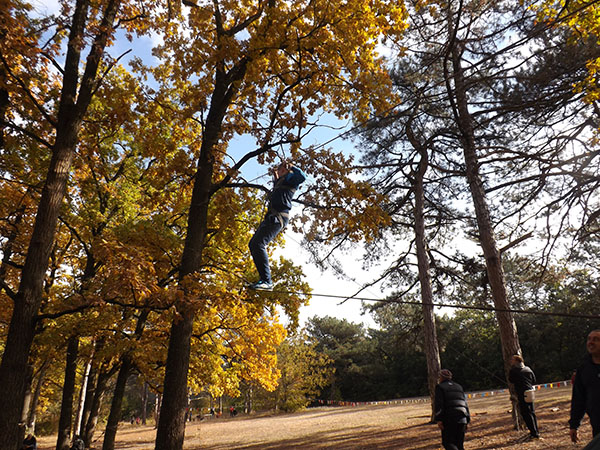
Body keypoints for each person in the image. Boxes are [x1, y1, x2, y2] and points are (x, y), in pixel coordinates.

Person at [248, 161, 306, 291]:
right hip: (271, 218)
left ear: (285, 170)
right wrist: (275, 177)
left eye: (280, 170)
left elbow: (302, 177)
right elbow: (278, 188)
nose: (278, 172)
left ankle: (267, 281)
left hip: (278, 218)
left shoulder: (291, 179)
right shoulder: (280, 182)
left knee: (258, 244)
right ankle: (264, 279)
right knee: (253, 244)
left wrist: (292, 166)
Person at [569, 329, 600, 444]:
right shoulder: (583, 369)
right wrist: (574, 425)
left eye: (596, 339)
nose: (591, 342)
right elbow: (578, 399)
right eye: (589, 339)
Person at [434, 369, 470, 450]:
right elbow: (465, 404)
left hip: (449, 419)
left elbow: (439, 404)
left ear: (441, 378)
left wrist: (439, 419)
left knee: (448, 443)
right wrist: (467, 419)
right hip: (462, 418)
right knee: (459, 445)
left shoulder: (440, 387)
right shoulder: (459, 387)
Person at [508, 354, 540, 439]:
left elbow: (511, 380)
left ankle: (533, 433)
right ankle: (536, 431)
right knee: (532, 412)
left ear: (516, 361)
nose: (511, 361)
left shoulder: (514, 370)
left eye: (512, 360)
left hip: (522, 394)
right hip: (530, 392)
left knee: (526, 414)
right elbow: (534, 380)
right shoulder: (528, 369)